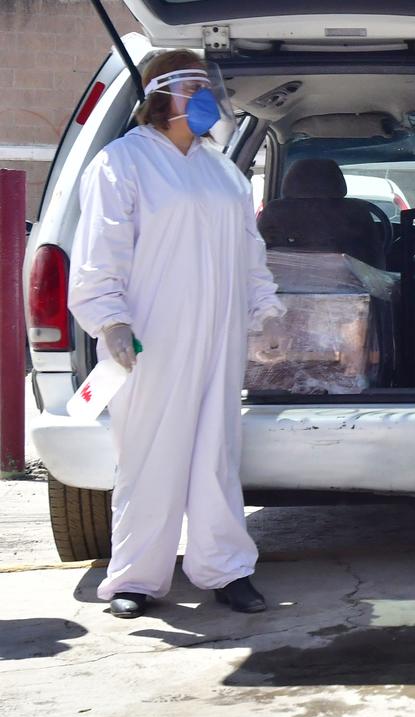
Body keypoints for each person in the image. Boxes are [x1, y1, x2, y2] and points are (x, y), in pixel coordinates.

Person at [68, 50, 285, 619]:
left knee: (216, 453)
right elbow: (100, 252)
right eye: (192, 85)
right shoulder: (123, 163)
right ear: (161, 95)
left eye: (206, 83)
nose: (206, 93)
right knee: (149, 455)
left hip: (219, 337)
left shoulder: (224, 172)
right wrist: (109, 319)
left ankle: (226, 569)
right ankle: (137, 579)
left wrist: (262, 313)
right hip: (149, 341)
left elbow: (249, 252)